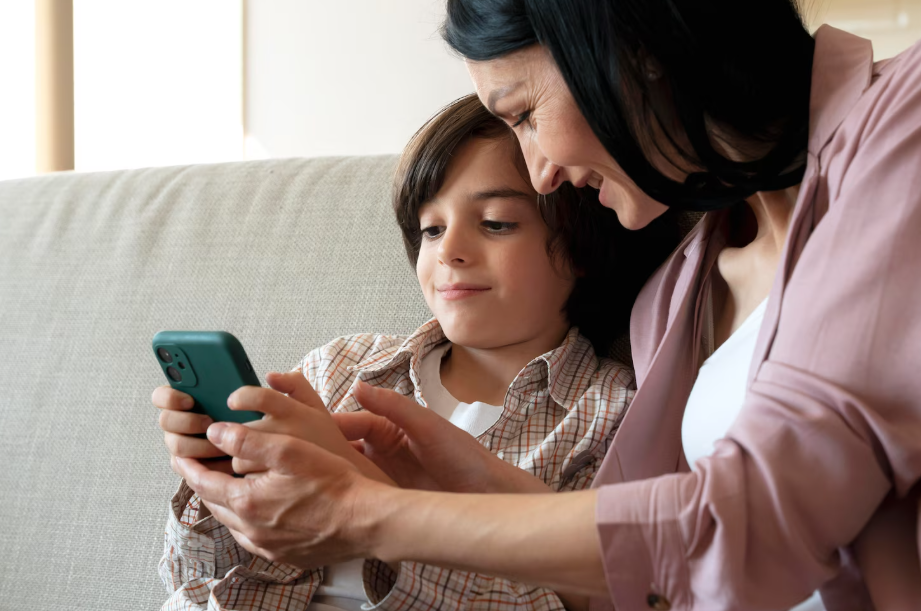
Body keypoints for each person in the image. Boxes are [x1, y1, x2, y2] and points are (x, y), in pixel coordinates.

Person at [173, 1, 921, 609]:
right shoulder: (676, 291)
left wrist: (366, 515)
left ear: (632, 46)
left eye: (524, 113)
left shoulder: (904, 121)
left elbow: (746, 526)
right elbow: (654, 580)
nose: (541, 172)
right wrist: (461, 486)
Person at [154, 94, 677, 611]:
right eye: (431, 228)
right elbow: (191, 578)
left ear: (582, 244)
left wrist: (372, 506)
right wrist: (216, 479)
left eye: (496, 222)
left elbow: (559, 600)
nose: (449, 249)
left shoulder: (610, 419)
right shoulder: (338, 369)